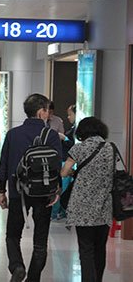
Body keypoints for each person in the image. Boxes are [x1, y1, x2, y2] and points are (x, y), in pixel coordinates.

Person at [0, 93, 62, 282]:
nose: (48, 114)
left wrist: (2, 191)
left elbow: (4, 164)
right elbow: (56, 164)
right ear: (41, 111)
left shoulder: (13, 134)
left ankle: (17, 266)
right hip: (44, 193)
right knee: (40, 242)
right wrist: (56, 189)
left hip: (18, 191)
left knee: (12, 236)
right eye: (47, 110)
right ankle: (33, 278)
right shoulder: (50, 135)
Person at [61, 117, 115, 282]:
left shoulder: (79, 148)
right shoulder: (111, 148)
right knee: (100, 249)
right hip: (104, 205)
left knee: (86, 249)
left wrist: (73, 173)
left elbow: (64, 172)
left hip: (82, 208)